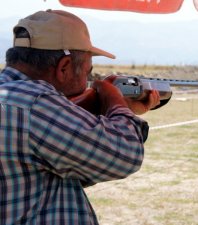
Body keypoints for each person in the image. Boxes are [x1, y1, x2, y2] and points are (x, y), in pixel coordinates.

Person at [0, 9, 160, 225]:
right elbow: (125, 155)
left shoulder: (12, 97)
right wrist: (115, 102)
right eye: (87, 72)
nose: (88, 80)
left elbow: (68, 168)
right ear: (64, 67)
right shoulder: (35, 103)